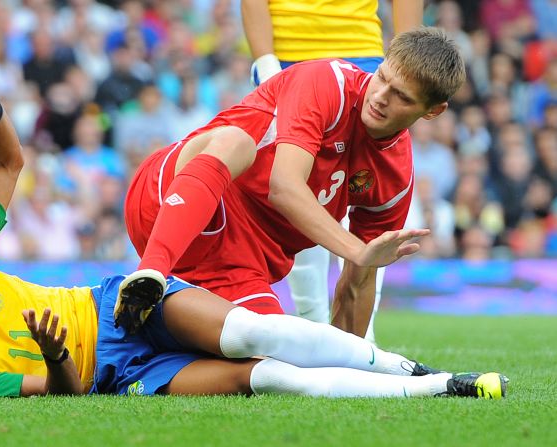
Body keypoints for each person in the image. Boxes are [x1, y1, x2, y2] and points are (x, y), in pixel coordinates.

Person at [0, 44, 507, 399]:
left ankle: (421, 374)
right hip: (116, 371)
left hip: (117, 305)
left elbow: (4, 171)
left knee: (258, 333)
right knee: (263, 377)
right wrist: (54, 355)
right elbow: (62, 391)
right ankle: (434, 386)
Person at [115, 28, 463, 339]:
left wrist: (349, 364)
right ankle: (150, 273)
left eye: (401, 96)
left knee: (273, 346)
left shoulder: (396, 176)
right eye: (381, 77)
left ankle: (146, 333)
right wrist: (357, 250)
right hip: (171, 205)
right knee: (236, 141)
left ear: (433, 111)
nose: (380, 96)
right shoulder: (327, 82)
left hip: (239, 267)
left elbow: (358, 282)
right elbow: (283, 187)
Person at [241, 0, 423, 343]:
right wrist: (267, 64)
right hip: (291, 58)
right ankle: (315, 326)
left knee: (375, 189)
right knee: (299, 189)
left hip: (366, 59)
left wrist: (409, 68)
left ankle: (361, 336)